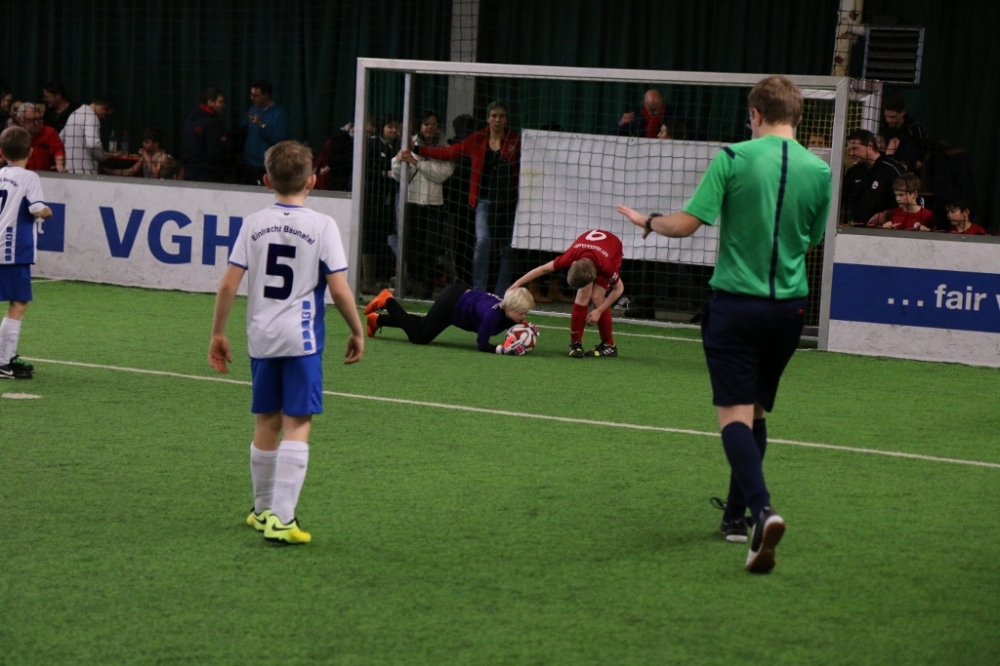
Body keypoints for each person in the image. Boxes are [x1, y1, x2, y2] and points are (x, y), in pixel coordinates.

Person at [617, 75, 832, 574]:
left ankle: (763, 511)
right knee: (756, 412)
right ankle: (735, 519)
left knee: (733, 415)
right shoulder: (820, 170)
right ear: (797, 117)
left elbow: (685, 224)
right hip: (789, 311)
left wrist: (647, 221)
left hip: (737, 305)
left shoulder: (733, 157)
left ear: (755, 114)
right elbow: (811, 239)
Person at [208, 140, 364, 545]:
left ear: (267, 180)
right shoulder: (323, 225)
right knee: (298, 422)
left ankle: (262, 510)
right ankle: (282, 518)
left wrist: (218, 333)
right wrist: (357, 329)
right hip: (302, 339)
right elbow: (339, 289)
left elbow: (227, 284)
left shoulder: (253, 223)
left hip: (261, 338)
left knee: (266, 421)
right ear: (312, 181)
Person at [415, 101, 520, 294]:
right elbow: (449, 152)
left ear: (506, 119)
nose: (497, 120)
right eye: (494, 116)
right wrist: (418, 150)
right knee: (483, 241)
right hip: (484, 200)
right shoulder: (477, 139)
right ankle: (479, 291)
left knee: (507, 247)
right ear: (487, 118)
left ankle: (502, 293)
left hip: (509, 202)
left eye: (501, 116)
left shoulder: (516, 140)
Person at [508, 229, 624, 358]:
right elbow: (542, 270)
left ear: (595, 274)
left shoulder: (606, 266)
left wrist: (599, 311)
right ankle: (575, 343)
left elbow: (619, 289)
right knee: (583, 294)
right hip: (590, 249)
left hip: (612, 249)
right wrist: (516, 284)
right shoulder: (571, 256)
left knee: (597, 298)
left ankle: (609, 345)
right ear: (573, 264)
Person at [0, 126, 54, 380]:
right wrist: (47, 211)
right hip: (11, 250)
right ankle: (2, 362)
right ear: (31, 152)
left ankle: (7, 355)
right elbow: (37, 209)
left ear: (2, 153)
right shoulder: (29, 177)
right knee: (19, 303)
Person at [363, 285, 534, 354]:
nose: (524, 316)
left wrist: (526, 327)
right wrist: (502, 350)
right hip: (451, 303)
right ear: (509, 308)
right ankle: (388, 301)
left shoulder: (508, 311)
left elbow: (512, 321)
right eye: (522, 313)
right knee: (419, 336)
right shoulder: (492, 316)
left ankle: (377, 321)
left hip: (457, 300)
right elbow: (482, 344)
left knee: (422, 325)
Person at [392, 111, 455, 296]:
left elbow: (441, 175)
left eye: (434, 124)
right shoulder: (408, 143)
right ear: (421, 125)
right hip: (411, 202)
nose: (430, 127)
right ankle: (413, 283)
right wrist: (400, 161)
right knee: (411, 247)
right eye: (426, 124)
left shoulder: (445, 147)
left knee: (431, 247)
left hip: (434, 204)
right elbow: (397, 175)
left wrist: (417, 162)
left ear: (439, 128)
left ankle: (427, 287)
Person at [360, 115, 401, 294]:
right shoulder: (372, 144)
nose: (393, 130)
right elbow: (365, 169)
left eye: (396, 127)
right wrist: (384, 174)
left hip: (387, 200)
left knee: (382, 238)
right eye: (389, 126)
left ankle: (378, 279)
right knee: (370, 237)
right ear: (381, 127)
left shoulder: (396, 147)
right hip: (372, 199)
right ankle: (367, 280)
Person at [842, 129, 904, 226]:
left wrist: (887, 214)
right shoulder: (853, 172)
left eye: (855, 148)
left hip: (886, 229)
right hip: (857, 228)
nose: (851, 153)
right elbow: (841, 198)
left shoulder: (892, 169)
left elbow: (911, 203)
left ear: (870, 146)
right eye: (850, 150)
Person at [241, 79, 288, 185]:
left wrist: (262, 125)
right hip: (248, 165)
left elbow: (279, 140)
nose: (252, 98)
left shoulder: (279, 114)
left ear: (266, 95)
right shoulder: (253, 110)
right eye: (251, 95)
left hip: (266, 167)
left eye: (256, 96)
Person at [181, 86, 228, 182]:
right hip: (206, 177)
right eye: (220, 102)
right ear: (210, 102)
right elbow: (214, 154)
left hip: (189, 172)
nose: (223, 105)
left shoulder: (189, 120)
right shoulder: (212, 123)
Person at [867, 173, 934, 231]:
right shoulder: (894, 212)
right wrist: (888, 228)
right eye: (896, 195)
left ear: (915, 194)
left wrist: (926, 231)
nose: (898, 199)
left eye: (901, 195)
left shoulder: (927, 215)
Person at [61, 96, 110, 174]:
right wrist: (103, 156)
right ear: (103, 109)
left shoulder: (74, 113)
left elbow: (60, 138)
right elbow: (93, 144)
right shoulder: (91, 117)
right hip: (86, 172)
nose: (104, 118)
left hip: (69, 170)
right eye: (106, 115)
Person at [881, 93, 927, 173]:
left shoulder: (915, 129)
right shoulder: (882, 128)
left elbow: (920, 159)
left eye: (892, 117)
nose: (889, 120)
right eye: (886, 116)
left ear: (902, 112)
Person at [16, 103, 66, 173]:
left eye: (39, 119)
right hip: (21, 174)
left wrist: (59, 165)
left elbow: (58, 151)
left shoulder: (49, 132)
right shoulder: (15, 134)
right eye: (32, 120)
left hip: (45, 175)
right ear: (20, 120)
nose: (36, 123)